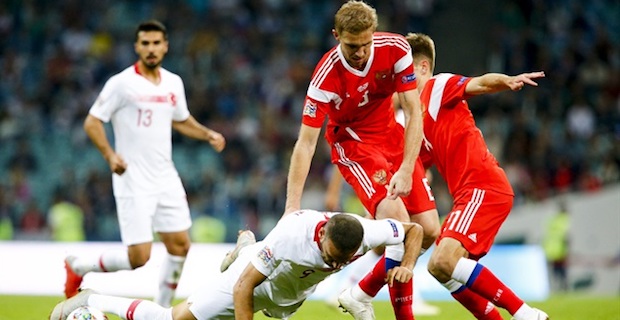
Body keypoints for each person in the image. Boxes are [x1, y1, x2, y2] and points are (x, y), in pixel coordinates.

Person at [285, 2, 438, 318]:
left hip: (392, 136)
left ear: (374, 33)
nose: (360, 53)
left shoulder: (395, 48)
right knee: (400, 227)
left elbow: (412, 110)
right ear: (336, 35)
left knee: (428, 230)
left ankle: (359, 290)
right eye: (352, 46)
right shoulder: (325, 77)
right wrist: (292, 207)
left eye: (366, 44)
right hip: (353, 144)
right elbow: (305, 143)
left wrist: (408, 167)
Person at [65, 20, 226, 307]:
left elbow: (180, 120)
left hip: (165, 175)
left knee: (180, 245)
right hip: (133, 178)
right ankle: (78, 266)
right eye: (145, 43)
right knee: (139, 257)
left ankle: (161, 310)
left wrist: (207, 134)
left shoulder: (173, 82)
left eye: (156, 43)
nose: (151, 49)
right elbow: (92, 122)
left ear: (165, 46)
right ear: (137, 47)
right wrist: (110, 155)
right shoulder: (121, 83)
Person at [392, 33, 547, 320]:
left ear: (423, 67)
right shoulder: (418, 121)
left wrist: (508, 80)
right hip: (468, 195)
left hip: (483, 187)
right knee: (439, 268)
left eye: (405, 70)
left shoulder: (438, 86)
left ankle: (526, 314)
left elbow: (481, 83)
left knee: (443, 259)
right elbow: (419, 167)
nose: (399, 80)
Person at [50, 210, 424, 320]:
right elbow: (245, 285)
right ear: (322, 233)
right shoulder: (291, 235)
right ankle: (92, 300)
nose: (337, 263)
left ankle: (248, 245)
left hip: (288, 294)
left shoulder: (367, 232)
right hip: (253, 280)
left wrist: (407, 264)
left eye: (343, 261)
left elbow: (414, 230)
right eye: (332, 256)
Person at [543, 199, 570, 292]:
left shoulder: (552, 221)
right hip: (560, 251)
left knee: (555, 272)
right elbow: (565, 237)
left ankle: (557, 289)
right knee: (562, 272)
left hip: (551, 251)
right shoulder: (564, 220)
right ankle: (563, 289)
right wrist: (566, 250)